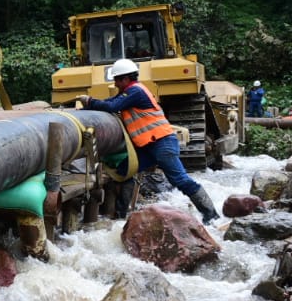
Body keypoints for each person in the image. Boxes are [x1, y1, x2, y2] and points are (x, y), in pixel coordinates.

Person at [76, 57, 220, 224]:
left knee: (179, 179)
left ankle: (210, 214)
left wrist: (90, 101)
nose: (115, 84)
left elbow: (112, 107)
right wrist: (89, 106)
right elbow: (110, 102)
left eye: (116, 80)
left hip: (162, 142)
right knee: (124, 171)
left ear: (125, 79)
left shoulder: (136, 91)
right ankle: (121, 216)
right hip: (147, 146)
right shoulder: (128, 92)